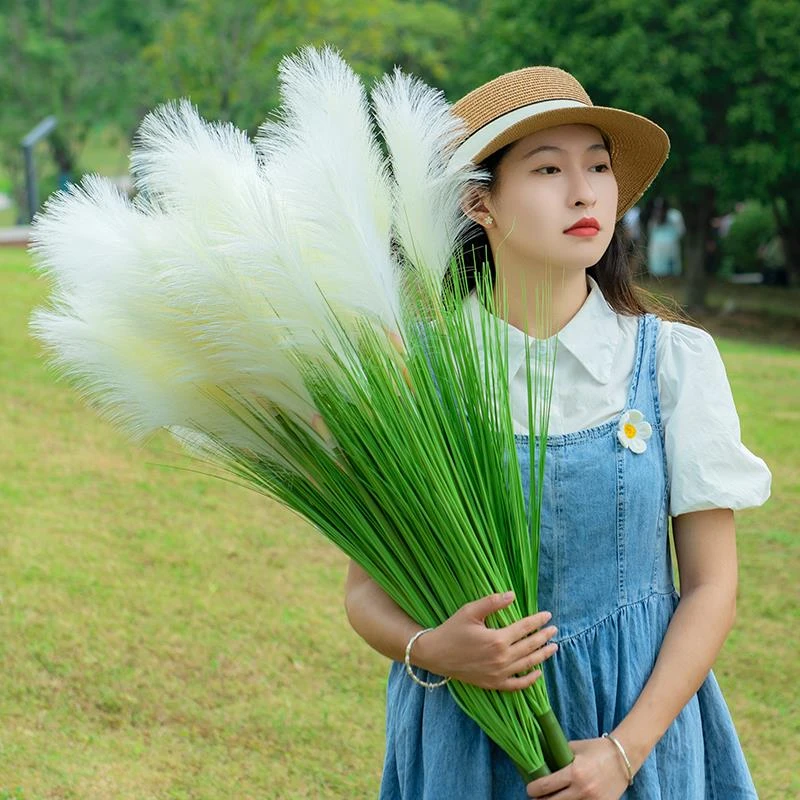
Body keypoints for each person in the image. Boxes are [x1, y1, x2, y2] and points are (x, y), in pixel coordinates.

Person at [344, 66, 771, 799]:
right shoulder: (423, 376)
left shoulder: (670, 361)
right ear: (481, 203)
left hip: (639, 734)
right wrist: (434, 648)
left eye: (598, 167)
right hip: (467, 736)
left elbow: (711, 587)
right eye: (548, 169)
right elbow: (363, 593)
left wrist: (622, 752)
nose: (585, 193)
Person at [646, 197, 685, 277]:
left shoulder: (675, 215)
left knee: (671, 269)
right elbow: (650, 231)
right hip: (657, 249)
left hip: (671, 248)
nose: (659, 211)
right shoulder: (653, 218)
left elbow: (681, 231)